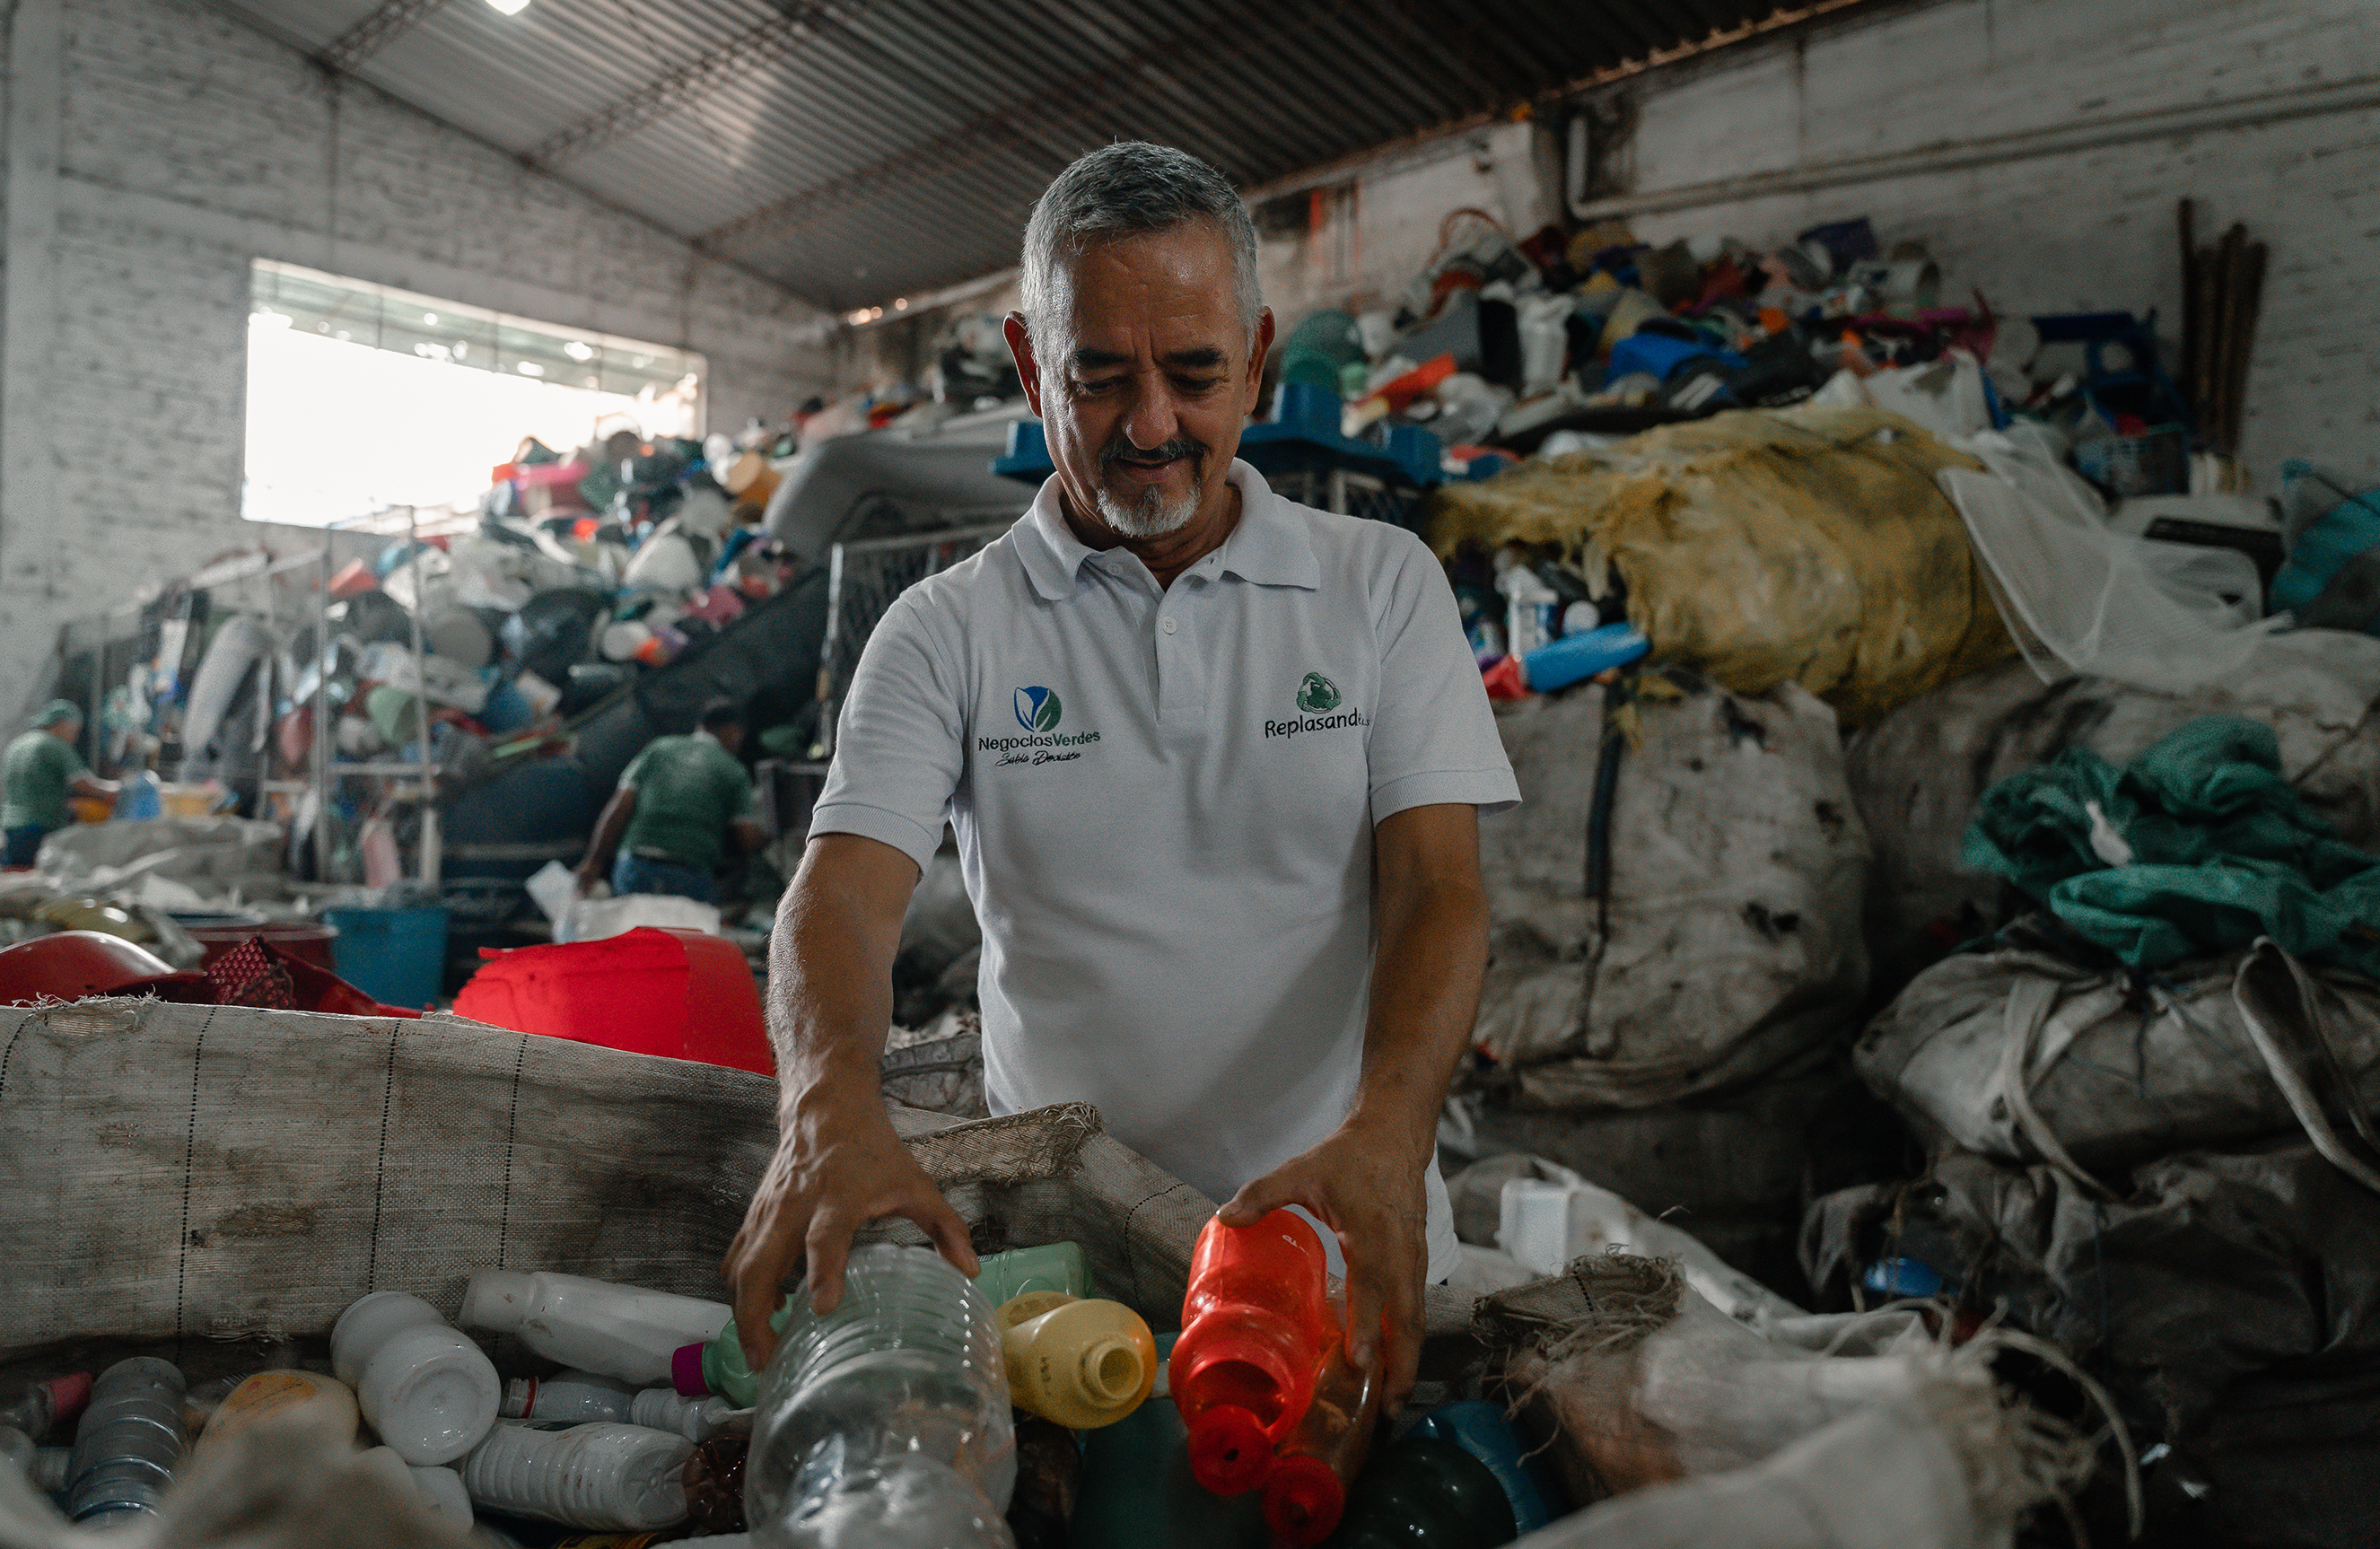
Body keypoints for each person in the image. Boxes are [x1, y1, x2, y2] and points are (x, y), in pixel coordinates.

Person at [724, 143, 1518, 1412]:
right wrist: (826, 1102)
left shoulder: (1380, 589)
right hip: (1065, 1264)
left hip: (1337, 1236)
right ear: (1031, 363)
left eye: (1196, 374)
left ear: (1258, 358)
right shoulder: (946, 630)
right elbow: (847, 894)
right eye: (1099, 377)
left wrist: (1389, 1134)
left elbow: (1438, 887)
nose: (1151, 426)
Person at [575, 699, 765, 904]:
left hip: (635, 866)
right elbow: (747, 839)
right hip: (689, 875)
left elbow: (620, 806)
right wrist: (776, 834)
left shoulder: (659, 748)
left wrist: (593, 863)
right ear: (734, 731)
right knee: (680, 935)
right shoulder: (733, 770)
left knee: (633, 933)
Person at [3, 701, 118, 868]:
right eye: (74, 731)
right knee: (36, 880)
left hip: (10, 825)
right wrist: (115, 790)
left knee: (16, 875)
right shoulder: (54, 744)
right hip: (39, 826)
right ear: (61, 724)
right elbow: (83, 783)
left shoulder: (17, 744)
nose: (75, 738)